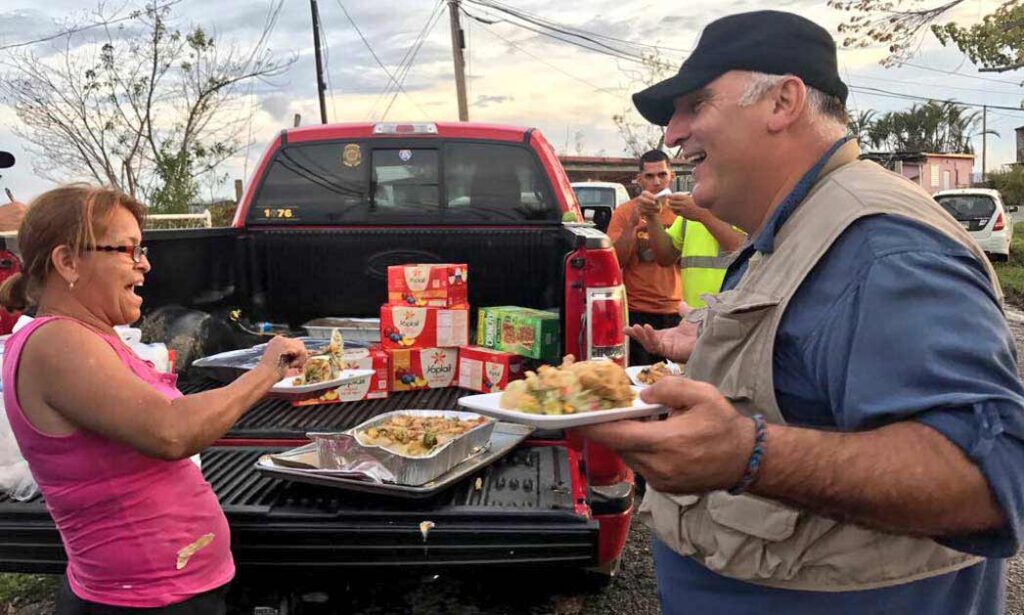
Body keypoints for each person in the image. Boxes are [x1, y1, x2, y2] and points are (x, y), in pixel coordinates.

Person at [576, 10, 1024, 615]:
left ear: (783, 101)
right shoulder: (796, 225)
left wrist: (747, 454)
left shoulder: (884, 248)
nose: (673, 133)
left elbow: (986, 480)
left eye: (694, 104)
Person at [0, 185, 308, 613]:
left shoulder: (85, 335)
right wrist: (267, 371)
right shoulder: (55, 341)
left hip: (162, 592)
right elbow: (171, 430)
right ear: (67, 260)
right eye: (127, 250)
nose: (144, 263)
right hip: (139, 599)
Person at [606, 150, 683, 365]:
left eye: (662, 174)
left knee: (676, 380)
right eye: (649, 176)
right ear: (639, 180)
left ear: (672, 176)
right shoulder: (624, 213)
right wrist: (632, 224)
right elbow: (615, 262)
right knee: (641, 377)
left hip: (677, 310)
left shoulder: (683, 212)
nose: (656, 182)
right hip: (637, 310)